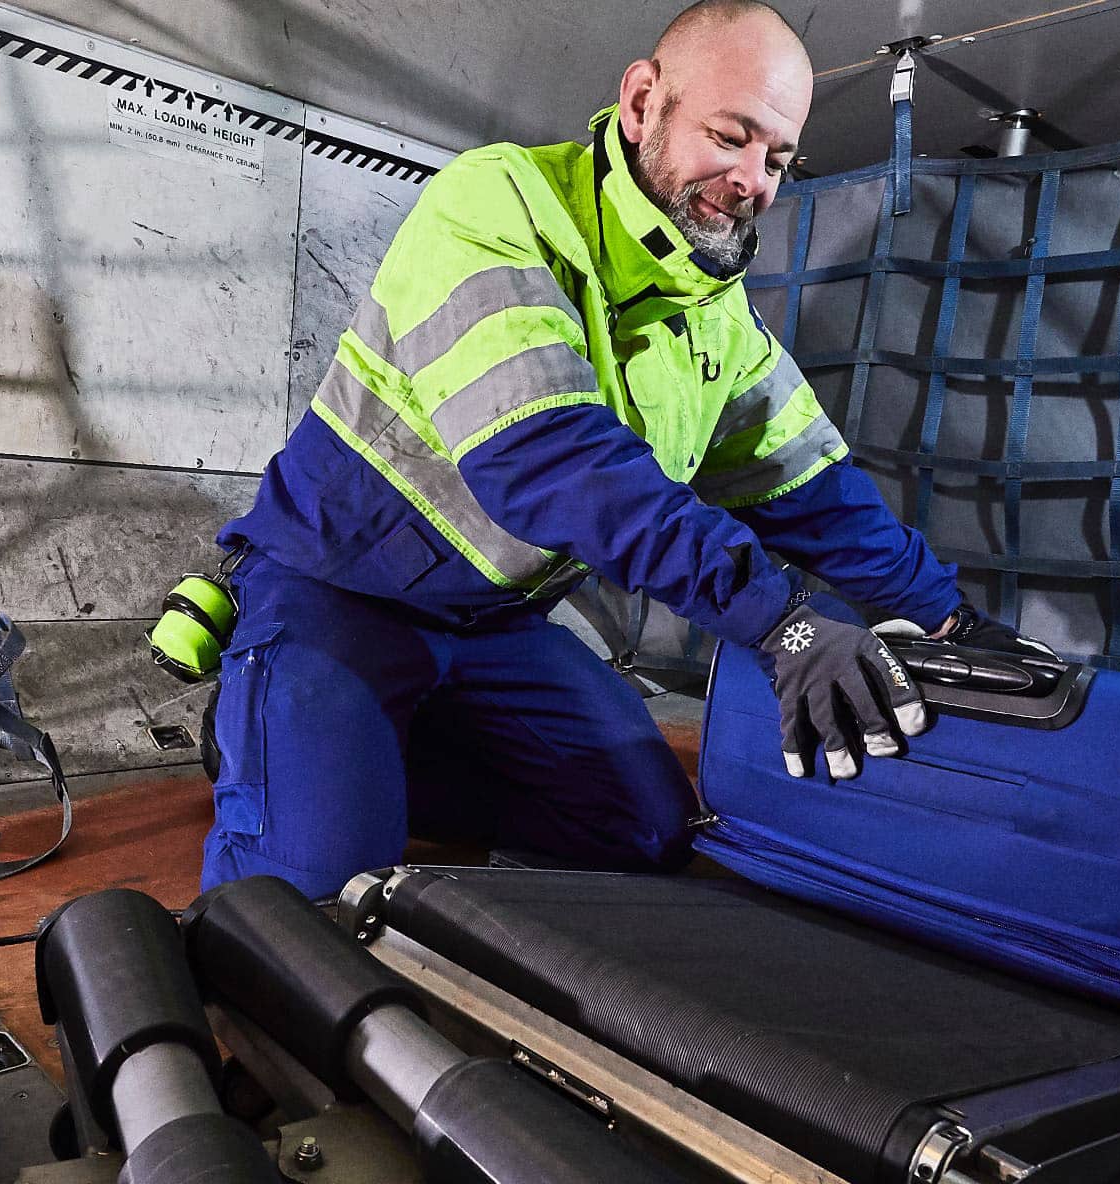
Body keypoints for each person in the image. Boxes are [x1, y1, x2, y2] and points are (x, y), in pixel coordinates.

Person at [202, 0, 1052, 896]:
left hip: (493, 627)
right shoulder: (497, 202)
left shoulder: (719, 323)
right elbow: (546, 459)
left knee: (644, 830)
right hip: (335, 594)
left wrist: (952, 622)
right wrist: (781, 619)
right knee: (306, 896)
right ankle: (266, 741)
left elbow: (814, 493)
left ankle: (359, 760)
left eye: (779, 160)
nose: (753, 178)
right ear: (644, 101)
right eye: (732, 136)